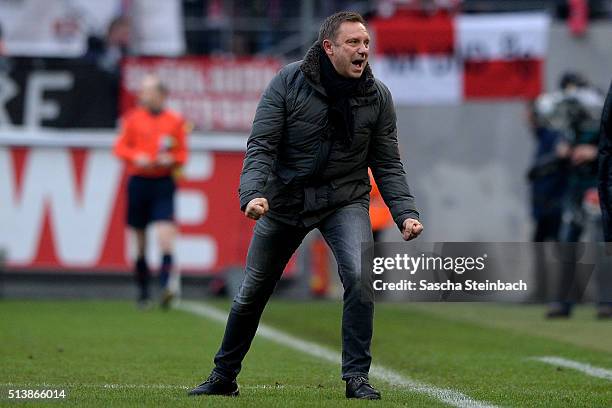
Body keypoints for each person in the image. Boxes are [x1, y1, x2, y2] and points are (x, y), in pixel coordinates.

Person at [188, 11, 423, 400]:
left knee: (360, 278)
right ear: (329, 47)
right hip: (286, 200)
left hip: (344, 198)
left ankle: (357, 378)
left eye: (365, 43)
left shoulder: (378, 96)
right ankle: (223, 375)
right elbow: (262, 144)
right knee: (252, 291)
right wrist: (251, 194)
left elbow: (386, 163)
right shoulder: (286, 82)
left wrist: (406, 213)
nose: (363, 50)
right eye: (353, 43)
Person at [113, 74, 188, 309]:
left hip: (162, 182)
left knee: (165, 235)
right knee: (140, 239)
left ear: (160, 95)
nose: (142, 94)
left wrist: (170, 159)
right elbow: (119, 148)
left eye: (147, 91)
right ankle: (143, 292)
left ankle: (166, 286)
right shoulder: (133, 119)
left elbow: (183, 155)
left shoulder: (174, 121)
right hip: (139, 182)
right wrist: (137, 157)